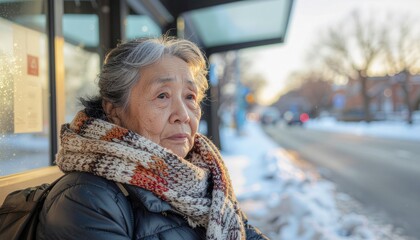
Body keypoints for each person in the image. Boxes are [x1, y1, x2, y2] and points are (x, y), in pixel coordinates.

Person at [36, 36, 268, 240]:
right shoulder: (85, 200)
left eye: (190, 96)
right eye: (162, 96)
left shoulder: (209, 183)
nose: (183, 115)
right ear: (114, 111)